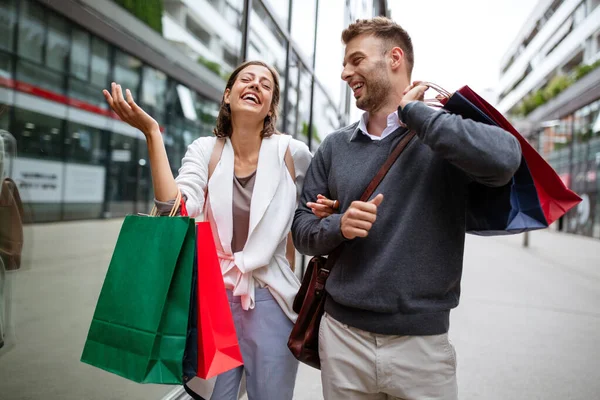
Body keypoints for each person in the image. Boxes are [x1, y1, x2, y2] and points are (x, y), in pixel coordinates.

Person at [292, 17, 522, 400]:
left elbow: (505, 159)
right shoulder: (334, 146)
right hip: (342, 338)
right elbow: (301, 229)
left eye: (356, 60)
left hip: (422, 348)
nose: (345, 72)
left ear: (394, 58)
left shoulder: (442, 132)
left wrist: (415, 114)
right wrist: (339, 226)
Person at [103, 60, 334, 400]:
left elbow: (316, 208)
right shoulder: (205, 150)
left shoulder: (292, 153)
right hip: (214, 299)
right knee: (215, 396)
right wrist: (153, 134)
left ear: (271, 106)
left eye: (265, 84)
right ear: (228, 95)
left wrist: (328, 209)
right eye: (246, 79)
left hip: (271, 297)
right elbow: (177, 209)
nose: (255, 85)